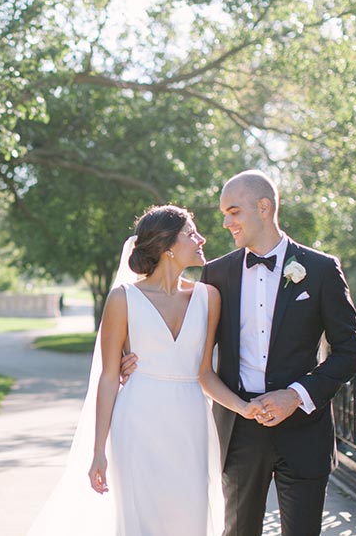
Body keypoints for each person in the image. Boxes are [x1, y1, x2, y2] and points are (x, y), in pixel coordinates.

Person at [121, 171, 356, 536]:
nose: (225, 223)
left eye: (233, 212)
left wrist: (295, 396)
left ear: (264, 207)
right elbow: (184, 341)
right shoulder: (216, 274)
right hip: (238, 430)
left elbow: (350, 350)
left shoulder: (321, 269)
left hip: (305, 430)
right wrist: (131, 357)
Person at [87, 204, 261, 535]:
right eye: (191, 233)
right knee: (142, 519)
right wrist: (98, 451)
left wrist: (243, 407)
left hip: (191, 421)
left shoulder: (209, 297)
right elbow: (109, 377)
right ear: (167, 246)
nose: (202, 238)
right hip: (137, 422)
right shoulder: (123, 299)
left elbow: (204, 373)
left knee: (190, 517)